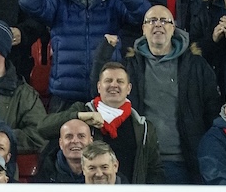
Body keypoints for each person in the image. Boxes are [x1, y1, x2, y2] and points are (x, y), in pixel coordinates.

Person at [20, 0, 152, 108]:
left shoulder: (114, 3)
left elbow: (146, 14)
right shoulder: (57, 3)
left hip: (106, 95)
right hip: (65, 97)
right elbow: (27, 1)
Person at [117, 5, 222, 184]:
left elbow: (212, 112)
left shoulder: (197, 65)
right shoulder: (128, 66)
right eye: (152, 21)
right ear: (143, 29)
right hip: (142, 162)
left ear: (174, 28)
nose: (158, 25)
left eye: (164, 21)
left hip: (184, 163)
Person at [38, 60, 166, 185]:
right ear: (99, 86)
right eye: (108, 80)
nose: (114, 85)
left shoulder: (143, 127)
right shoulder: (82, 111)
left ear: (129, 88)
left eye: (120, 81)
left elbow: (154, 169)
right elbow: (43, 128)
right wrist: (79, 116)